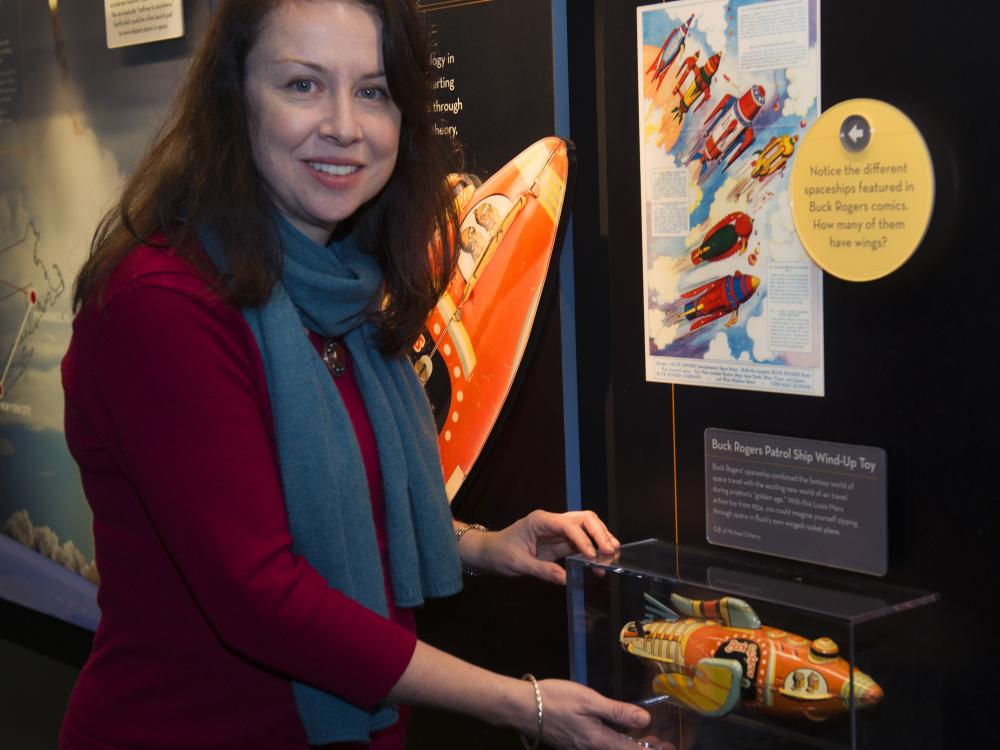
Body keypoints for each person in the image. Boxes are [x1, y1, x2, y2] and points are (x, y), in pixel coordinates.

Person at [59, 1, 658, 749]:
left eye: (373, 91)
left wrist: (479, 544)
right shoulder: (162, 306)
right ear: (233, 98)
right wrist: (524, 704)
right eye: (303, 85)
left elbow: (339, 513)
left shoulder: (343, 283)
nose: (345, 124)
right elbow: (262, 597)